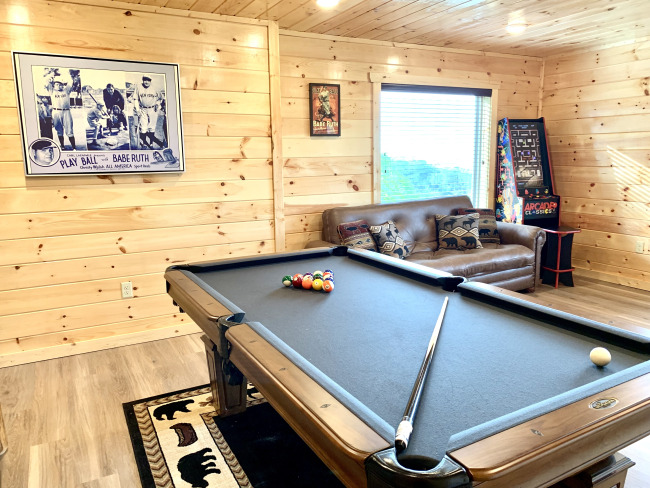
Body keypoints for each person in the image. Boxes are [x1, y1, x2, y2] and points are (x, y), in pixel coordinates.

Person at [45, 74, 77, 150]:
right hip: (56, 111)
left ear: (63, 85)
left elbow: (71, 81)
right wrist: (51, 76)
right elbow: (47, 81)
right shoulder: (52, 91)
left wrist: (67, 75)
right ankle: (62, 145)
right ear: (54, 85)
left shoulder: (66, 90)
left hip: (66, 111)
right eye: (57, 84)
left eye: (60, 84)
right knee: (59, 130)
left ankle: (74, 147)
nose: (59, 86)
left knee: (69, 130)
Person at [134, 75, 164, 149]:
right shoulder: (138, 87)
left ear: (150, 81)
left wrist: (158, 105)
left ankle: (151, 143)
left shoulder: (155, 88)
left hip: (152, 110)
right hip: (143, 109)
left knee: (152, 127)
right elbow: (136, 99)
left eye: (148, 80)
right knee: (143, 128)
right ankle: (144, 144)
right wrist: (137, 110)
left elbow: (160, 99)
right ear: (143, 80)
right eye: (145, 80)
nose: (146, 82)